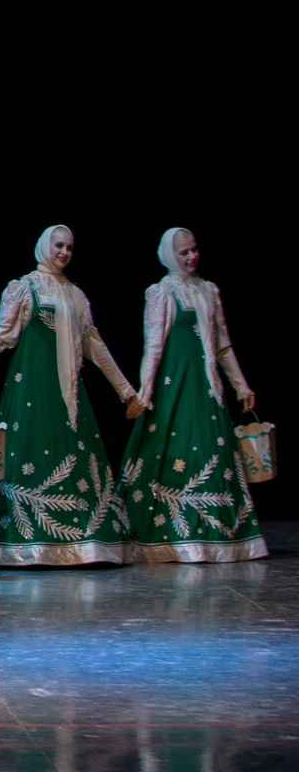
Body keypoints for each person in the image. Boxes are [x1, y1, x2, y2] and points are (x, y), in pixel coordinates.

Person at [0, 225, 140, 567]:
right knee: (28, 450)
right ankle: (23, 537)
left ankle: (82, 538)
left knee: (73, 450)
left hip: (68, 391)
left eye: (69, 247)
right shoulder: (26, 288)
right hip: (31, 388)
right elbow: (2, 335)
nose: (63, 252)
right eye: (58, 245)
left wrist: (125, 390)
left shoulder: (76, 296)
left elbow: (95, 345)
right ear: (45, 246)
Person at [122, 227, 265, 563]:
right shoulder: (161, 292)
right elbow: (153, 346)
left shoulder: (209, 290)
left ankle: (217, 534)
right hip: (176, 387)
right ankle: (170, 532)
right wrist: (144, 390)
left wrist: (241, 384)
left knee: (213, 450)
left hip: (205, 387)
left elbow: (223, 344)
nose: (191, 257)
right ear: (171, 255)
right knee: (174, 451)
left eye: (194, 250)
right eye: (183, 253)